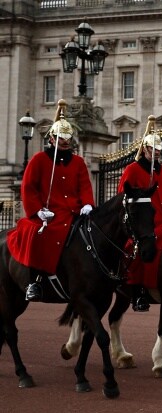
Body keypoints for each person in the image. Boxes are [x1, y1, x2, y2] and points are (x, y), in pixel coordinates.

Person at [7, 99, 95, 301]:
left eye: (67, 138)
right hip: (48, 213)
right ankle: (35, 281)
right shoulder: (39, 160)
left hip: (72, 212)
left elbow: (85, 185)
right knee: (39, 235)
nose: (65, 142)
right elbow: (28, 188)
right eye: (61, 138)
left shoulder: (78, 162)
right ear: (52, 139)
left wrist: (88, 204)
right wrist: (38, 210)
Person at [119, 130, 162, 311]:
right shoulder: (133, 169)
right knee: (138, 249)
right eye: (153, 149)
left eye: (158, 149)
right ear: (145, 149)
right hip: (145, 223)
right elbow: (123, 195)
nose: (156, 152)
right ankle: (139, 290)